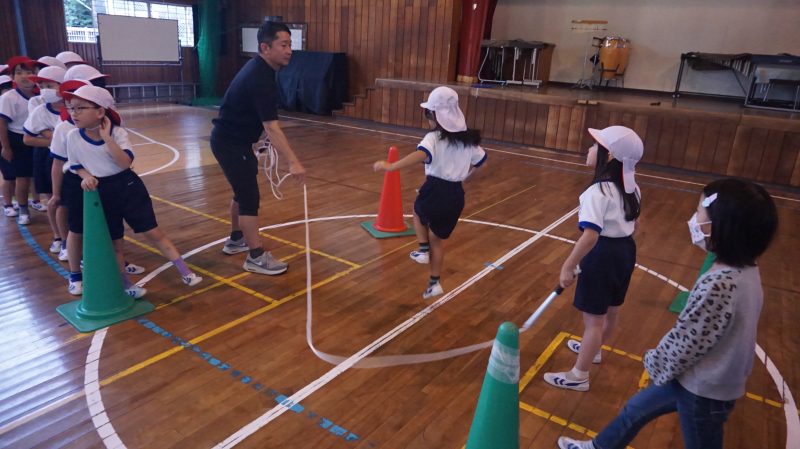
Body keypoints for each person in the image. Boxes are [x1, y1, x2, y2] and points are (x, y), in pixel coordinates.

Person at [558, 178, 778, 449]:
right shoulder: (746, 269)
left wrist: (654, 362)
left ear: (720, 227)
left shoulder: (720, 284)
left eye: (699, 211)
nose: (694, 219)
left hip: (704, 389)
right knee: (634, 411)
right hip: (694, 377)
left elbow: (689, 339)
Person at [63, 85, 201, 297]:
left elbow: (124, 163)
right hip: (102, 191)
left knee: (153, 232)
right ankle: (127, 286)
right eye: (71, 108)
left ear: (100, 112)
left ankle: (185, 272)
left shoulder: (118, 133)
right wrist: (86, 177)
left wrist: (107, 138)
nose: (74, 113)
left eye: (80, 108)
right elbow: (76, 165)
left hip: (128, 186)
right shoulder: (72, 136)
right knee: (116, 242)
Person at [543, 126, 642, 391]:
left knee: (594, 321)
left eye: (595, 145)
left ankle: (579, 375)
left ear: (608, 155)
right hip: (625, 251)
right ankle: (594, 350)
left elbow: (590, 236)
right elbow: (635, 224)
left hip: (602, 255)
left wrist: (568, 265)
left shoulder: (597, 192)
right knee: (611, 310)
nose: (589, 149)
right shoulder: (632, 188)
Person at [210, 20, 305, 275]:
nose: (289, 50)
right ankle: (255, 257)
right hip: (230, 144)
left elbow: (257, 116)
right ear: (265, 47)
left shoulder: (261, 70)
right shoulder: (259, 76)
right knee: (249, 198)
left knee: (241, 192)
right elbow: (272, 126)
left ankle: (236, 239)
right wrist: (293, 161)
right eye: (283, 45)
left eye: (290, 44)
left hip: (235, 142)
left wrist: (259, 138)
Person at [373, 86, 486, 299]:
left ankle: (423, 250)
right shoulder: (468, 141)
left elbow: (421, 154)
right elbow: (481, 161)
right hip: (456, 195)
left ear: (435, 116)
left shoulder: (433, 138)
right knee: (437, 240)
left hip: (435, 187)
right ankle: (435, 283)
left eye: (428, 113)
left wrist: (391, 166)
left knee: (417, 212)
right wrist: (465, 177)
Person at [23, 66, 67, 253]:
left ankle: (70, 238)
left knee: (68, 203)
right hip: (49, 159)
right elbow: (27, 139)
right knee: (54, 200)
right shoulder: (40, 110)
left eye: (49, 85)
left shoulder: (73, 108)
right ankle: (59, 238)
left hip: (71, 161)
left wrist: (55, 137)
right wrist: (54, 142)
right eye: (41, 86)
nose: (44, 90)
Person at [0, 56, 39, 225]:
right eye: (19, 73)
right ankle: (23, 209)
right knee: (22, 178)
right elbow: (2, 123)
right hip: (17, 139)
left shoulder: (40, 95)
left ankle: (37, 201)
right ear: (12, 77)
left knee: (37, 175)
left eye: (29, 72)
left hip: (39, 139)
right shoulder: (9, 97)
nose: (25, 76)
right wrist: (6, 147)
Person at [0, 73, 16, 216]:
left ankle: (31, 200)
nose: (7, 90)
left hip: (13, 140)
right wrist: (5, 147)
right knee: (8, 176)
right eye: (4, 88)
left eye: (9, 87)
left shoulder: (12, 100)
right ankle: (8, 203)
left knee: (20, 176)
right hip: (3, 143)